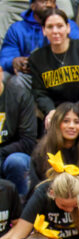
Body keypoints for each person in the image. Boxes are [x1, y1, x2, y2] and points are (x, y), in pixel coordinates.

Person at [29, 9, 79, 141]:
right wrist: (51, 111)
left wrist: (74, 111)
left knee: (77, 134)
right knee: (52, 138)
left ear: (68, 28)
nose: (55, 31)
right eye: (50, 27)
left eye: (60, 26)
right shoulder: (37, 58)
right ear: (44, 31)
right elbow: (40, 93)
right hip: (57, 115)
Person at [1, 0, 79, 88]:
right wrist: (14, 61)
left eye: (52, 1)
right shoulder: (17, 29)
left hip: (57, 73)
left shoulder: (67, 26)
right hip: (26, 76)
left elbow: (75, 53)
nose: (49, 4)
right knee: (6, 77)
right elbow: (5, 57)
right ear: (32, 6)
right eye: (44, 0)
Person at [28, 102, 79, 185]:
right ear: (56, 123)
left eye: (76, 122)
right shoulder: (41, 151)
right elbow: (35, 188)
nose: (71, 126)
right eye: (66, 121)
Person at [0, 66, 37, 197]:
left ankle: (20, 205)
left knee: (17, 162)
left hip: (13, 154)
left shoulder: (19, 95)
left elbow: (28, 141)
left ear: (0, 73)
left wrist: (2, 152)